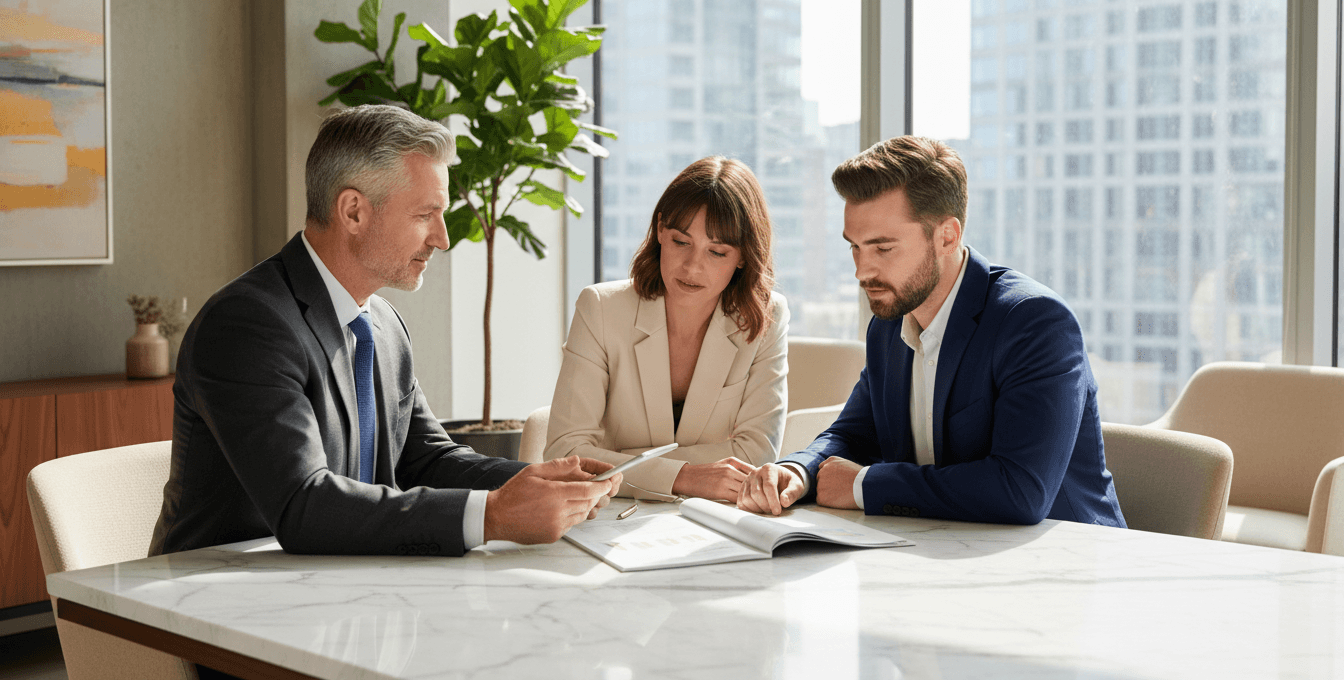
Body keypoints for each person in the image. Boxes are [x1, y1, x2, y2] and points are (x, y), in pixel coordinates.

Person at [151, 104, 620, 560]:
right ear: (353, 211)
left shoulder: (382, 323)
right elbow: (302, 505)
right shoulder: (247, 325)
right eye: (424, 215)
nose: (443, 238)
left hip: (332, 587)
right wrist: (494, 515)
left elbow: (426, 460)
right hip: (207, 604)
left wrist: (546, 484)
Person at [737, 136, 1126, 528]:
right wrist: (797, 471)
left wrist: (863, 485)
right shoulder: (888, 326)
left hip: (1067, 563)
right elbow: (853, 435)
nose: (861, 271)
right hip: (944, 551)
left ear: (947, 236)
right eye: (854, 247)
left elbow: (1020, 491)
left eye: (883, 248)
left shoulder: (1034, 324)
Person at [545, 156, 788, 502]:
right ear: (660, 230)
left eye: (716, 252)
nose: (692, 266)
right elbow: (565, 452)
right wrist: (686, 477)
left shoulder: (768, 315)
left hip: (715, 521)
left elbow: (756, 456)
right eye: (681, 242)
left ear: (744, 256)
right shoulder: (600, 308)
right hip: (612, 517)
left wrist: (622, 463)